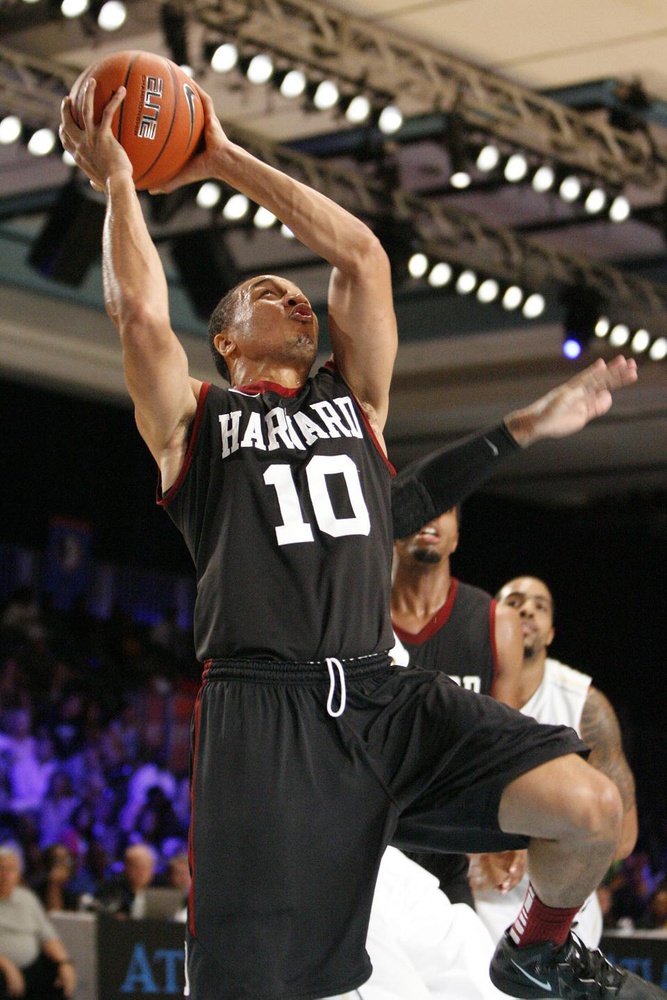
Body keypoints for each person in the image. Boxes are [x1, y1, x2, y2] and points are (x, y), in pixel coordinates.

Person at [59, 72, 662, 1000]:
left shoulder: (356, 403)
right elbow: (138, 313)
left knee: (588, 809)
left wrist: (220, 157)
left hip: (383, 695)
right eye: (268, 293)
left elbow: (364, 258)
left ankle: (538, 952)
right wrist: (122, 185)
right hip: (266, 715)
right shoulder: (196, 424)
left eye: (298, 293)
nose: (296, 299)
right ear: (225, 341)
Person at [470, 576, 638, 950]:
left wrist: (523, 849)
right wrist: (474, 849)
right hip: (468, 906)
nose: (527, 609)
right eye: (514, 602)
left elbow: (623, 837)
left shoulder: (584, 704)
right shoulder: (461, 688)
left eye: (539, 606)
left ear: (549, 634)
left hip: (557, 916)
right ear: (492, 622)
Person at [390, 504, 523, 906]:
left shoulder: (495, 621)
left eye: (443, 508)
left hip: (448, 851)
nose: (427, 517)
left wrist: (506, 835)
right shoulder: (356, 613)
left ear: (458, 535)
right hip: (368, 845)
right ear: (390, 526)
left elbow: (505, 750)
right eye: (417, 505)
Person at [0, 845, 76, 1000]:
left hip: (32, 968)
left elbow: (47, 935)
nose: (6, 875)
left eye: (11, 869)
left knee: (58, 978)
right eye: (2, 868)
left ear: (19, 874)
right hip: (2, 967)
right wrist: (7, 967)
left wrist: (64, 962)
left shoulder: (27, 898)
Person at [93, 842, 157, 918]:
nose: (141, 872)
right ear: (126, 867)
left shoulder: (159, 893)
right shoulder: (110, 890)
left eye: (146, 867)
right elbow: (100, 911)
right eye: (136, 866)